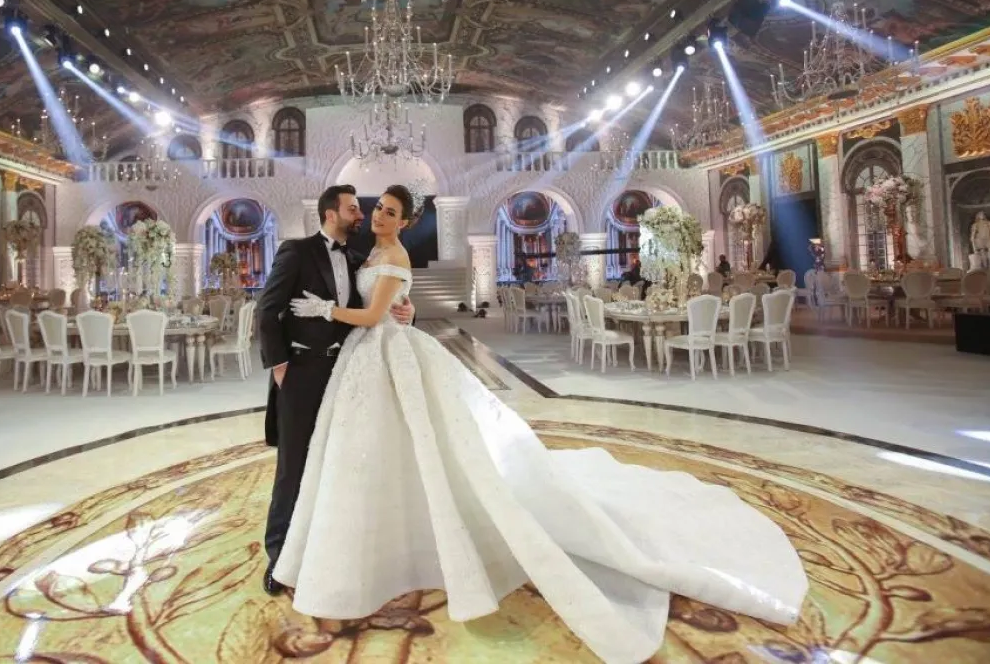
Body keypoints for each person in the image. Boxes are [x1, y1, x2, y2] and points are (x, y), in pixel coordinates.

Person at [273, 184, 808, 664]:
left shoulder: (391, 253)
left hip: (380, 348)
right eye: (371, 210)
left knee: (415, 446)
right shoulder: (361, 252)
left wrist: (331, 310)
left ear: (405, 220)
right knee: (361, 454)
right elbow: (372, 300)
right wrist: (394, 308)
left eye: (387, 212)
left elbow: (373, 311)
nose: (374, 216)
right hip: (358, 360)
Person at [256, 184, 415, 597]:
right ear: (331, 213)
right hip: (302, 371)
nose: (363, 215)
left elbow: (379, 306)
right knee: (293, 466)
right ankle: (279, 557)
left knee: (336, 461)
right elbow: (267, 309)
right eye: (354, 209)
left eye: (372, 210)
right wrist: (280, 365)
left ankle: (323, 543)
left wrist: (407, 309)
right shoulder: (297, 251)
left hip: (346, 370)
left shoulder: (362, 258)